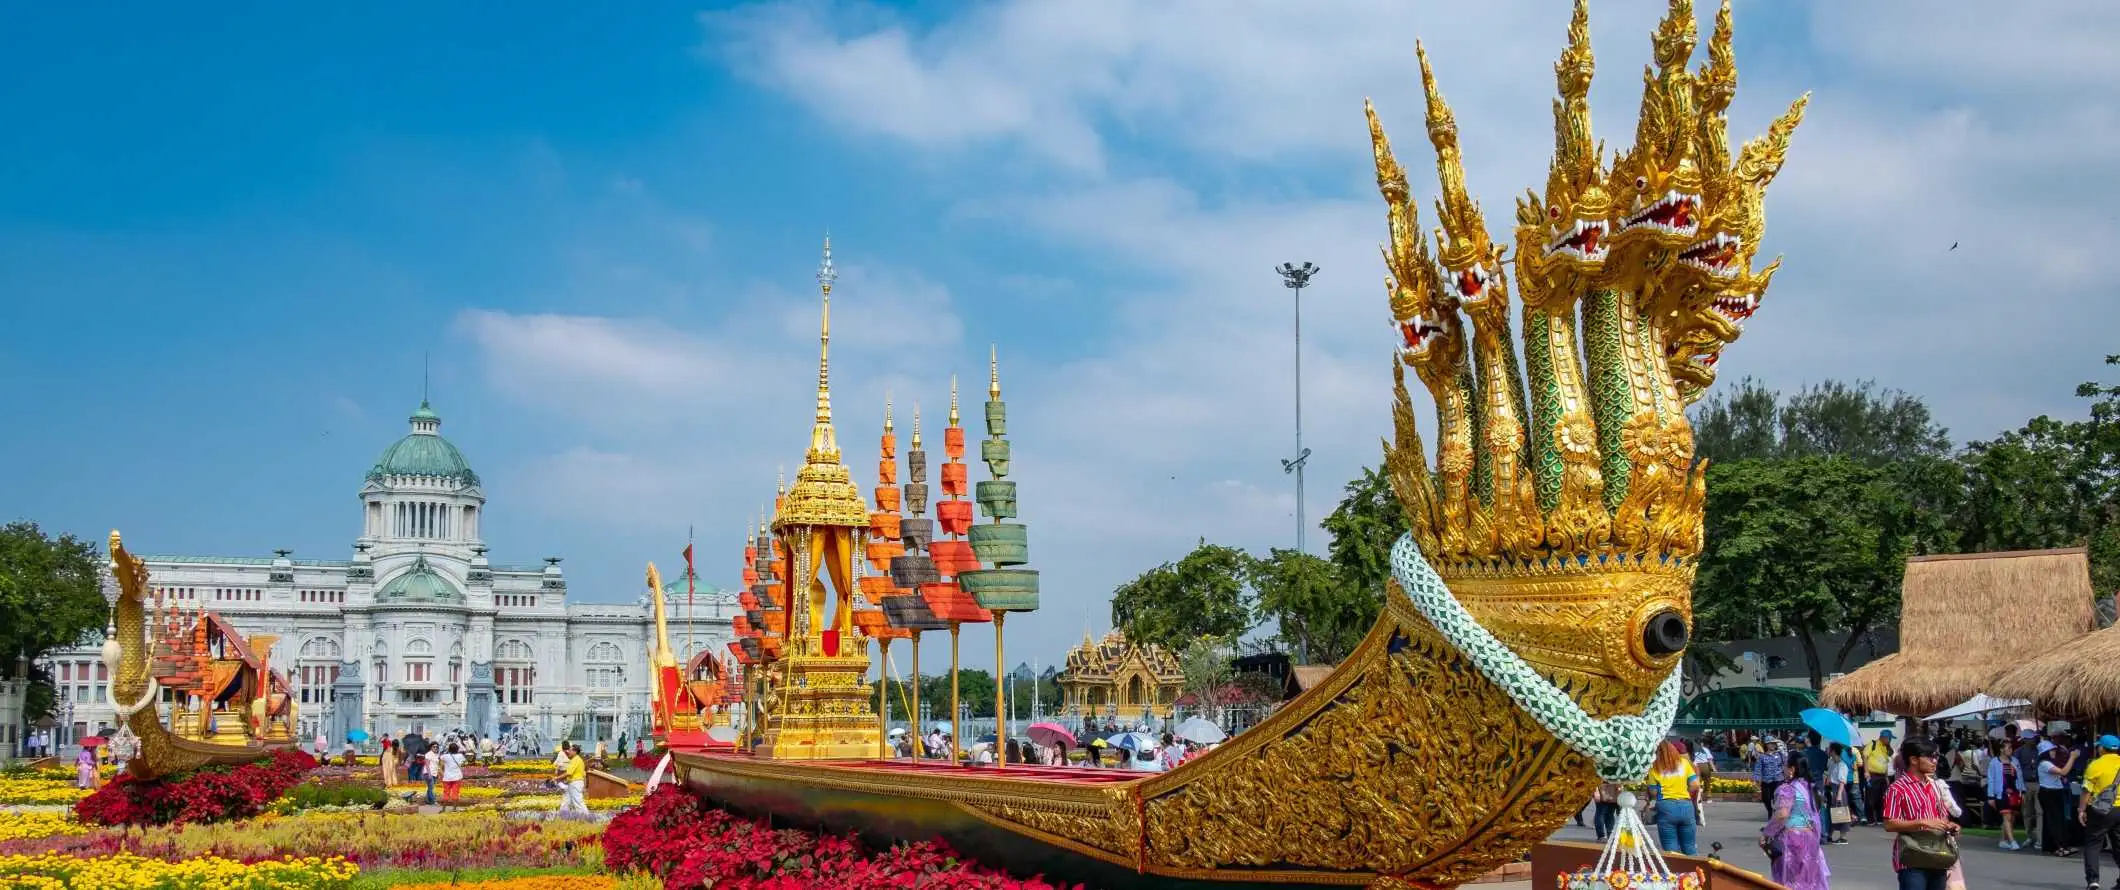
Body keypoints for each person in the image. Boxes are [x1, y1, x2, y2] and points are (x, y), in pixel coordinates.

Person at [1884, 739, 1959, 890]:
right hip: (1912, 858)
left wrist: (1950, 826)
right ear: (1913, 760)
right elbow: (1889, 823)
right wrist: (1922, 822)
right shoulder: (1897, 788)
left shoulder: (1935, 786)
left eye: (1936, 757)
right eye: (1930, 757)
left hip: (1938, 856)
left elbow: (1941, 817)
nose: (1934, 761)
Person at [1761, 757, 1829, 890]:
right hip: (1810, 838)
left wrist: (1766, 834)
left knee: (1790, 881)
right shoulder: (1811, 788)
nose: (1783, 769)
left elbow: (1782, 815)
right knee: (1808, 880)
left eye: (1785, 766)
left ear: (1792, 769)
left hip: (1792, 840)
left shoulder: (1787, 789)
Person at [2079, 734, 2120, 890]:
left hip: (2101, 810)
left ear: (2102, 748)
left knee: (2093, 844)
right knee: (2118, 845)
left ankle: (2093, 881)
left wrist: (2081, 809)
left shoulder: (2095, 765)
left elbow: (2086, 790)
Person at [1649, 740, 1702, 856]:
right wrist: (1684, 793)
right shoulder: (1684, 763)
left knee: (1671, 848)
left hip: (1666, 807)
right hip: (1686, 805)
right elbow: (1695, 785)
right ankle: (1696, 872)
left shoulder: (1654, 767)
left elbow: (1653, 792)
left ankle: (1675, 873)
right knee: (1689, 846)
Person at [1988, 737, 2022, 851]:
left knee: (2012, 817)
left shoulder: (2015, 761)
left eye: (2011, 747)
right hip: (2001, 793)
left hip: (2015, 792)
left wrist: (2023, 791)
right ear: (2002, 749)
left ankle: (2003, 840)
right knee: (2006, 816)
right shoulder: (1994, 762)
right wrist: (1991, 796)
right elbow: (1991, 779)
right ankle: (2012, 841)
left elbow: (2019, 777)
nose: (2010, 749)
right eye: (2008, 747)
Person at [1866, 730, 1898, 826]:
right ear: (1885, 738)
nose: (1890, 741)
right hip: (1873, 775)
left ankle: (1880, 818)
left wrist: (1886, 777)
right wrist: (1866, 772)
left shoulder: (1887, 748)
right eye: (1889, 739)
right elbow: (1865, 756)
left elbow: (1886, 763)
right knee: (1871, 798)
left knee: (1882, 798)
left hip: (1883, 776)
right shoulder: (1872, 744)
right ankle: (1870, 819)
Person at [1826, 743, 1853, 844]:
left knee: (1841, 812)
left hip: (1838, 790)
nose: (1828, 750)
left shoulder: (1842, 764)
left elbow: (1842, 781)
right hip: (1832, 788)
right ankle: (1829, 835)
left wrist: (1839, 795)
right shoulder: (1832, 762)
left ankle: (1843, 836)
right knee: (1832, 813)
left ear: (1833, 751)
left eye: (1829, 749)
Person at [1754, 739, 1788, 819]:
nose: (1772, 745)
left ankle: (1776, 813)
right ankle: (1769, 810)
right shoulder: (1762, 756)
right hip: (1766, 780)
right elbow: (1758, 768)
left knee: (1778, 797)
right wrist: (1757, 778)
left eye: (1773, 744)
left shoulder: (1780, 754)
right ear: (1766, 745)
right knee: (1766, 798)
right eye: (1770, 744)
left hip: (1778, 779)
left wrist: (1787, 776)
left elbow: (1786, 764)